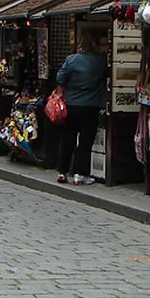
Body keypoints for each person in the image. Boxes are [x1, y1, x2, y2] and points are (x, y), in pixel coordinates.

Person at [54, 30, 108, 186]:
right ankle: (80, 174)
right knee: (85, 141)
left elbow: (60, 78)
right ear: (95, 45)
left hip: (71, 105)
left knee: (67, 139)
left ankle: (62, 172)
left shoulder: (71, 60)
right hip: (90, 106)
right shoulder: (101, 61)